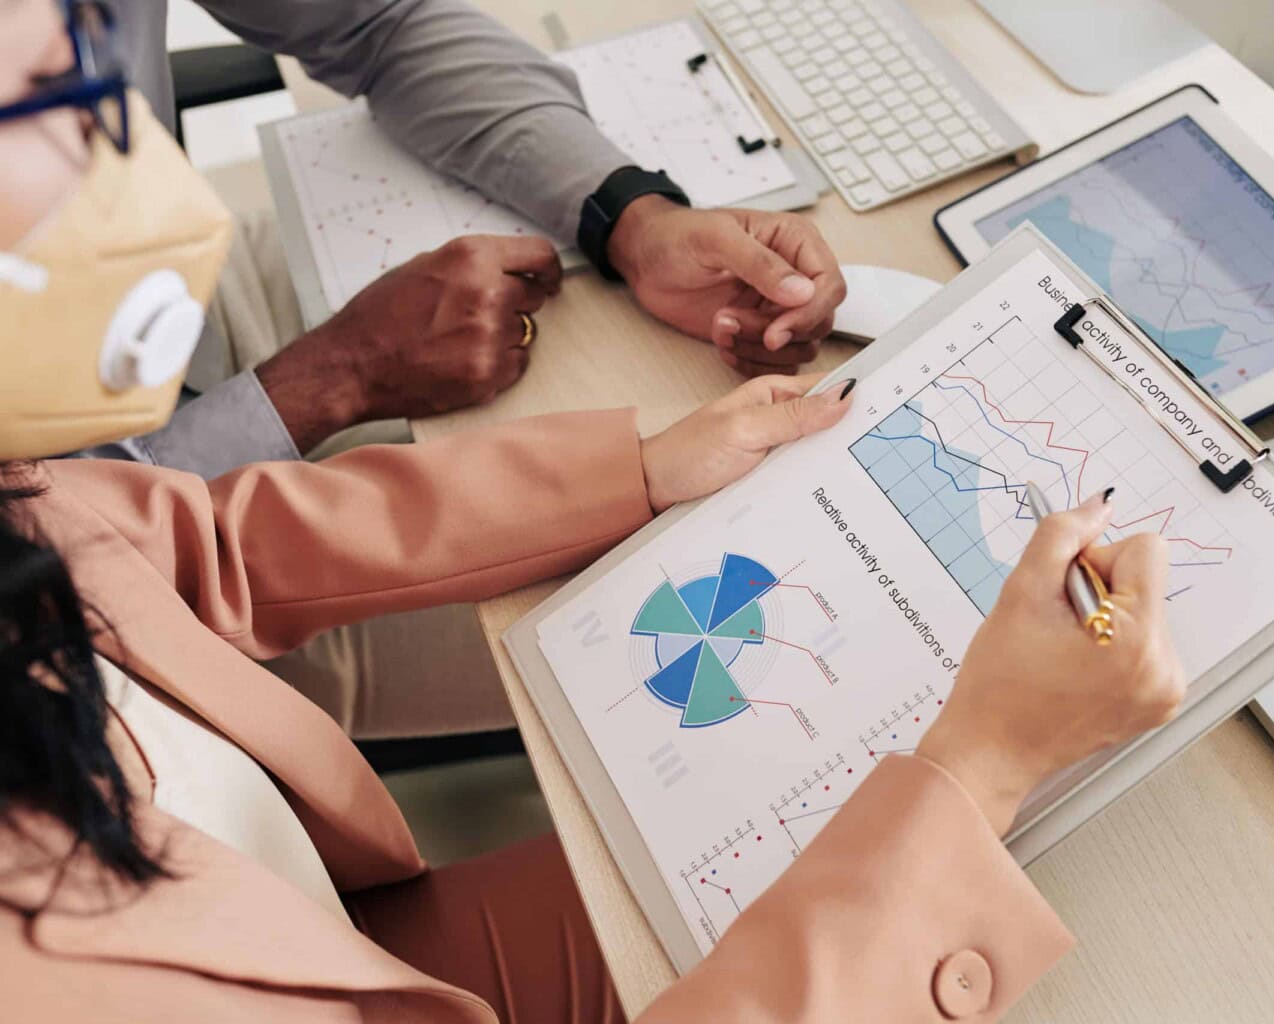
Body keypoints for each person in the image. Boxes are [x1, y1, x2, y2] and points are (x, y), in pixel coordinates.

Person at [0, 2, 1186, 1020]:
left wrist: (645, 469)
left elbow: (179, 542)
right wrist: (984, 763)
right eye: (56, 88)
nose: (131, 159)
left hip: (309, 922)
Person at [80, 0, 852, 737]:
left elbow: (379, 19)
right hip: (132, 604)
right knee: (733, 603)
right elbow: (66, 544)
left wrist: (630, 218)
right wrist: (335, 378)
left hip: (196, 305)